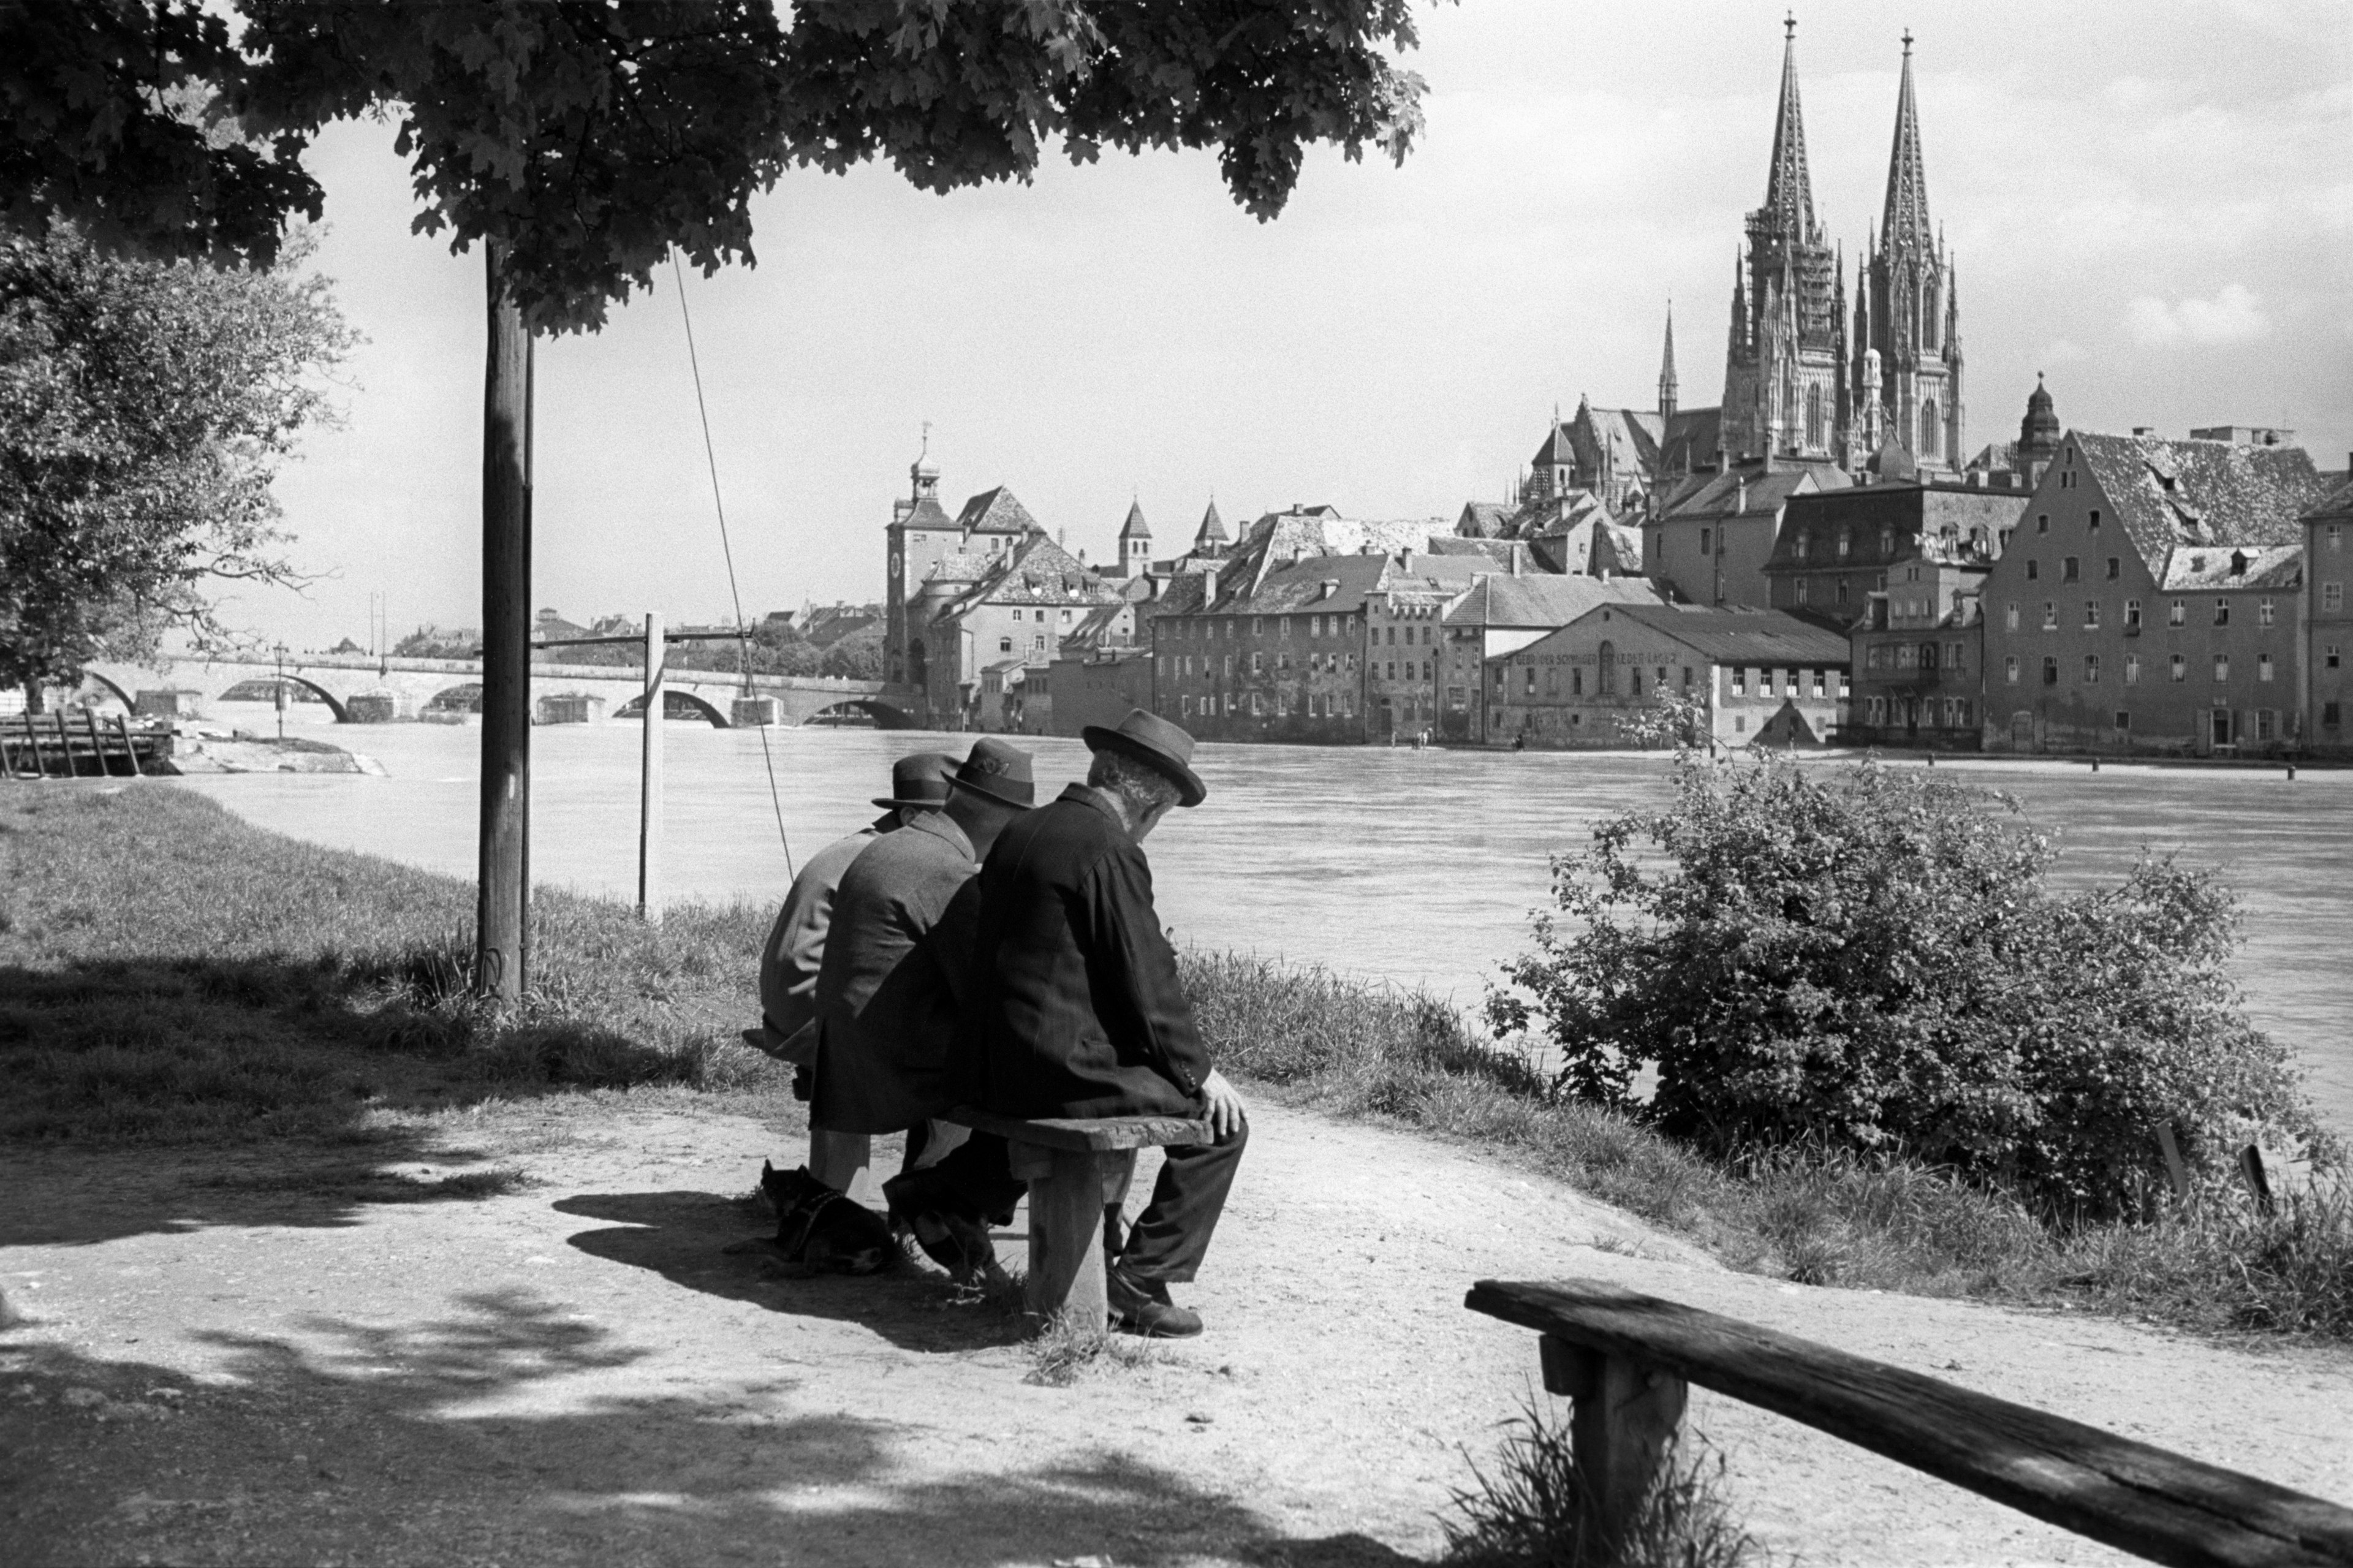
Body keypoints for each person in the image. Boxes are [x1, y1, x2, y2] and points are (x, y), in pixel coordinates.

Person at [966, 708, 1245, 1338]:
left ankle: (949, 1195)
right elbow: (1146, 978)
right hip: (1052, 1071)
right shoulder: (1109, 848)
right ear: (1148, 803)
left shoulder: (1025, 830)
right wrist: (1199, 1073)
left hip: (990, 1061)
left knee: (1139, 1086)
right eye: (1164, 814)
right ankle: (1141, 1279)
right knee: (1219, 1125)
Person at [808, 738, 1034, 1218]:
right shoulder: (947, 872)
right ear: (1008, 820)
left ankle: (927, 1202)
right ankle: (941, 1210)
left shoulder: (894, 845)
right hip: (889, 1061)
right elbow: (986, 990)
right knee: (1029, 1076)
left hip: (846, 1044)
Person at [752, 751, 953, 1189]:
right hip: (811, 1014)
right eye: (945, 821)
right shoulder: (893, 859)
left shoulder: (858, 845)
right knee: (956, 1062)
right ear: (912, 815)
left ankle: (837, 1192)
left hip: (788, 1003)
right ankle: (928, 1198)